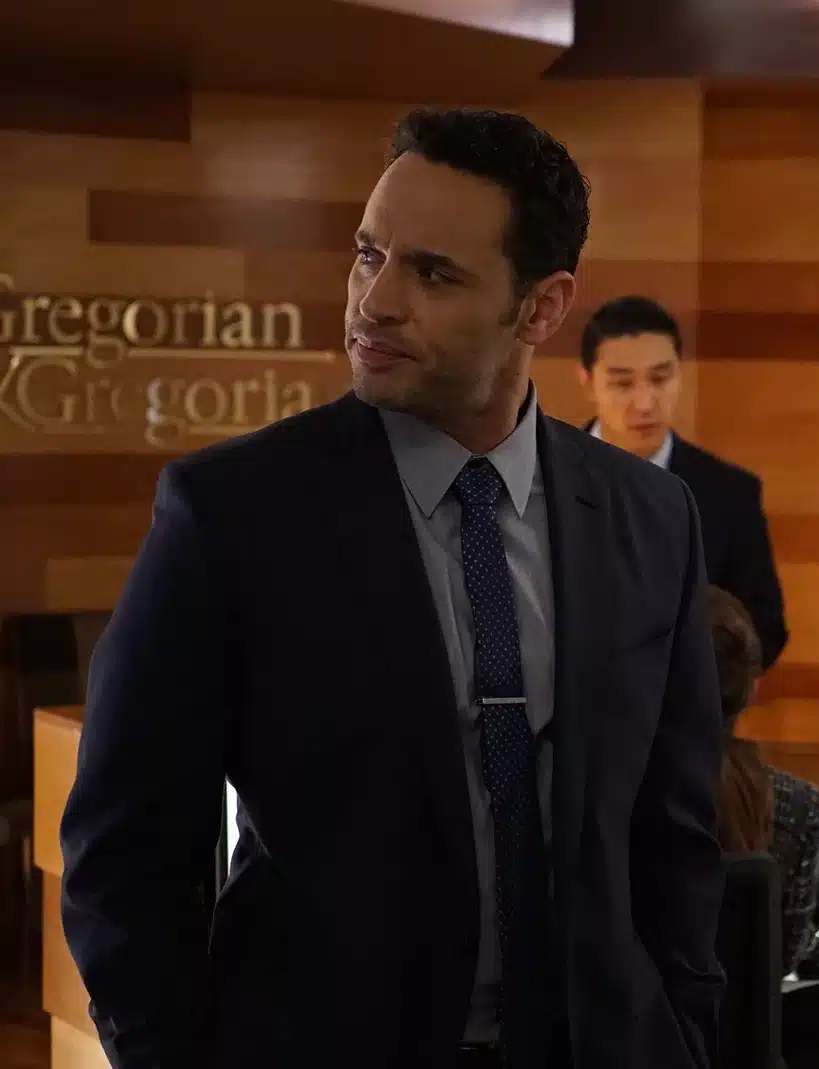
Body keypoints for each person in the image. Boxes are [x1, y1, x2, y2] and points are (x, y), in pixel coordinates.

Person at [59, 107, 725, 1069]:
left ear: (541, 308)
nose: (375, 302)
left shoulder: (653, 518)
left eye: (434, 273)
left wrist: (686, 1033)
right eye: (369, 255)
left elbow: (678, 832)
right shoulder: (234, 513)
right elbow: (126, 853)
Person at [577, 296, 788, 670]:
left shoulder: (730, 494)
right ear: (588, 383)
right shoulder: (540, 480)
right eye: (622, 383)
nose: (645, 403)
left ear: (680, 374)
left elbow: (765, 631)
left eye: (660, 378)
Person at [704, 585, 819, 975]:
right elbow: (782, 958)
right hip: (739, 1013)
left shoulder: (609, 794)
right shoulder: (797, 804)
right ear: (753, 687)